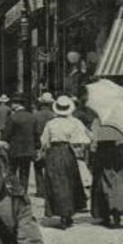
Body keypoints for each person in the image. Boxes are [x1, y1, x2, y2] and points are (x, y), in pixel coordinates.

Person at [39, 95, 89, 227]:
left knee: (56, 183)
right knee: (69, 181)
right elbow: (83, 139)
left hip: (54, 153)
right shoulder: (74, 122)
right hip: (67, 152)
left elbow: (44, 141)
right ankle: (68, 212)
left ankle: (61, 213)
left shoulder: (51, 123)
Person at [89, 120, 123, 228]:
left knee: (102, 185)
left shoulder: (97, 122)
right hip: (116, 155)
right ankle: (117, 212)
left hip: (102, 154)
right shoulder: (119, 122)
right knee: (118, 185)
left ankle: (105, 215)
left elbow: (93, 140)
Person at [3, 93, 38, 193]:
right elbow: (36, 134)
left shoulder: (13, 118)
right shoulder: (32, 117)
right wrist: (36, 147)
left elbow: (6, 134)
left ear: (15, 104)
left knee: (12, 170)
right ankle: (23, 191)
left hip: (15, 149)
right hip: (28, 149)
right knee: (25, 172)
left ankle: (14, 190)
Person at [33, 92, 55, 196]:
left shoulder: (35, 115)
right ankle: (49, 188)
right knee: (49, 167)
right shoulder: (53, 115)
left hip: (38, 143)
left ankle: (40, 190)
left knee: (38, 168)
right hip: (50, 144)